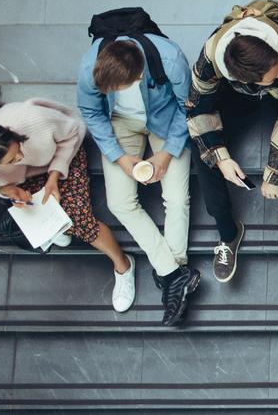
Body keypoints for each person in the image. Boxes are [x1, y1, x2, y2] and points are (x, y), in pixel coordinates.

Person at [0, 99, 136, 313]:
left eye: (18, 148)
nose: (20, 157)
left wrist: (54, 176)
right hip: (25, 180)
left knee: (78, 220)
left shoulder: (34, 119)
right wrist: (7, 190)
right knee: (37, 212)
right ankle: (57, 226)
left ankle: (123, 264)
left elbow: (74, 130)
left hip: (63, 156)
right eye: (12, 160)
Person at [187, 0, 278, 280]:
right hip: (236, 93)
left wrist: (274, 174)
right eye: (274, 73)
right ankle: (228, 231)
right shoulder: (209, 58)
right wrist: (221, 158)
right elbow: (198, 109)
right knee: (202, 152)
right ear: (250, 80)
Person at [77, 34, 200, 327]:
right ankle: (173, 274)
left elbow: (190, 106)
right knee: (119, 202)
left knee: (176, 197)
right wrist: (119, 157)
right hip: (119, 126)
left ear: (140, 74)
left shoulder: (169, 60)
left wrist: (167, 154)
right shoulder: (89, 69)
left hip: (166, 120)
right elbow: (92, 112)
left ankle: (173, 274)